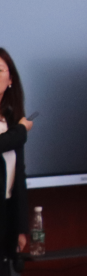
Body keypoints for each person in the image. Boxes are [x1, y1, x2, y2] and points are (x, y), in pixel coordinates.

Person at [0, 48, 31, 264]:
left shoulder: (11, 120)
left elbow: (18, 175)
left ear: (10, 79)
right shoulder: (18, 130)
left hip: (6, 215)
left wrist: (20, 227)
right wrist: (21, 131)